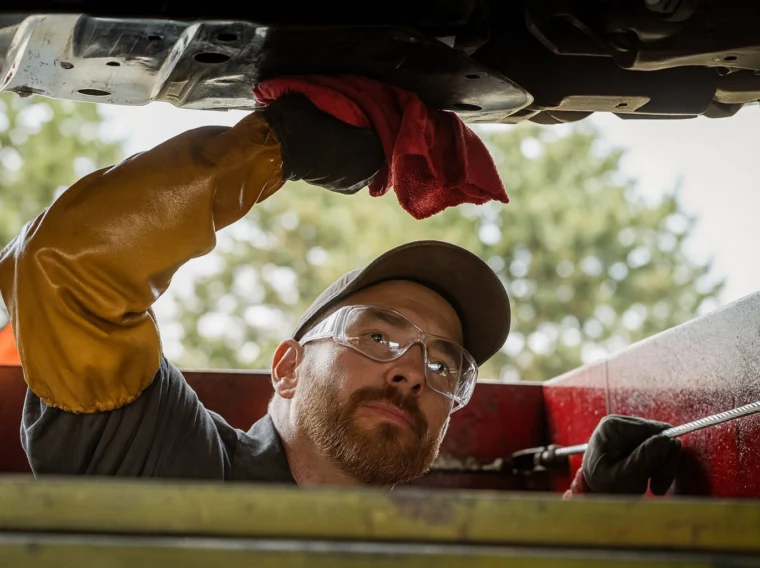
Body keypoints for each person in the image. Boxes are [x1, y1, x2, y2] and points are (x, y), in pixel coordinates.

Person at [0, 94, 680, 492]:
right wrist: (277, 147)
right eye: (378, 336)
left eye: (444, 364)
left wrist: (593, 511)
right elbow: (63, 266)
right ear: (288, 367)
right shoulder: (175, 462)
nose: (414, 370)